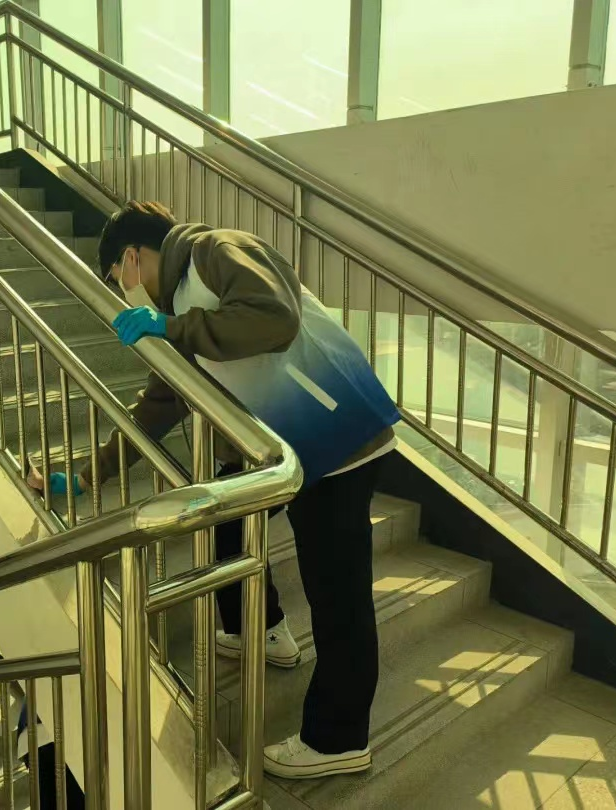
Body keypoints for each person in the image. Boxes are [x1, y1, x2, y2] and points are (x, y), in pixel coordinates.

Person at [34, 201, 400, 780]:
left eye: (114, 277)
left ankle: (338, 739)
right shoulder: (177, 312)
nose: (120, 290)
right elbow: (156, 408)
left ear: (132, 258)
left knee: (338, 598)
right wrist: (83, 477)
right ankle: (261, 629)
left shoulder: (215, 250)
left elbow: (273, 319)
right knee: (226, 521)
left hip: (341, 444)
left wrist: (171, 329)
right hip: (294, 452)